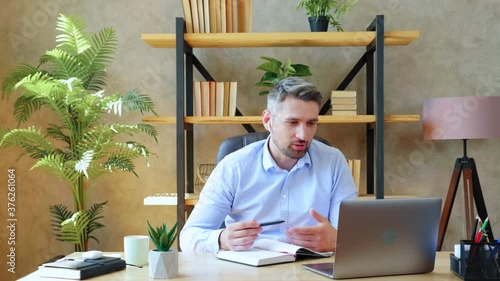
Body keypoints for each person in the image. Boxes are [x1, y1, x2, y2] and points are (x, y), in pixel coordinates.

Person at [180, 77, 358, 253]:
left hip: (312, 270)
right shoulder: (234, 167)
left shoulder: (334, 162)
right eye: (292, 122)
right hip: (249, 271)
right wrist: (222, 240)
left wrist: (337, 241)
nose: (303, 135)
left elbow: (354, 237)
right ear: (268, 121)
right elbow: (189, 237)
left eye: (311, 123)